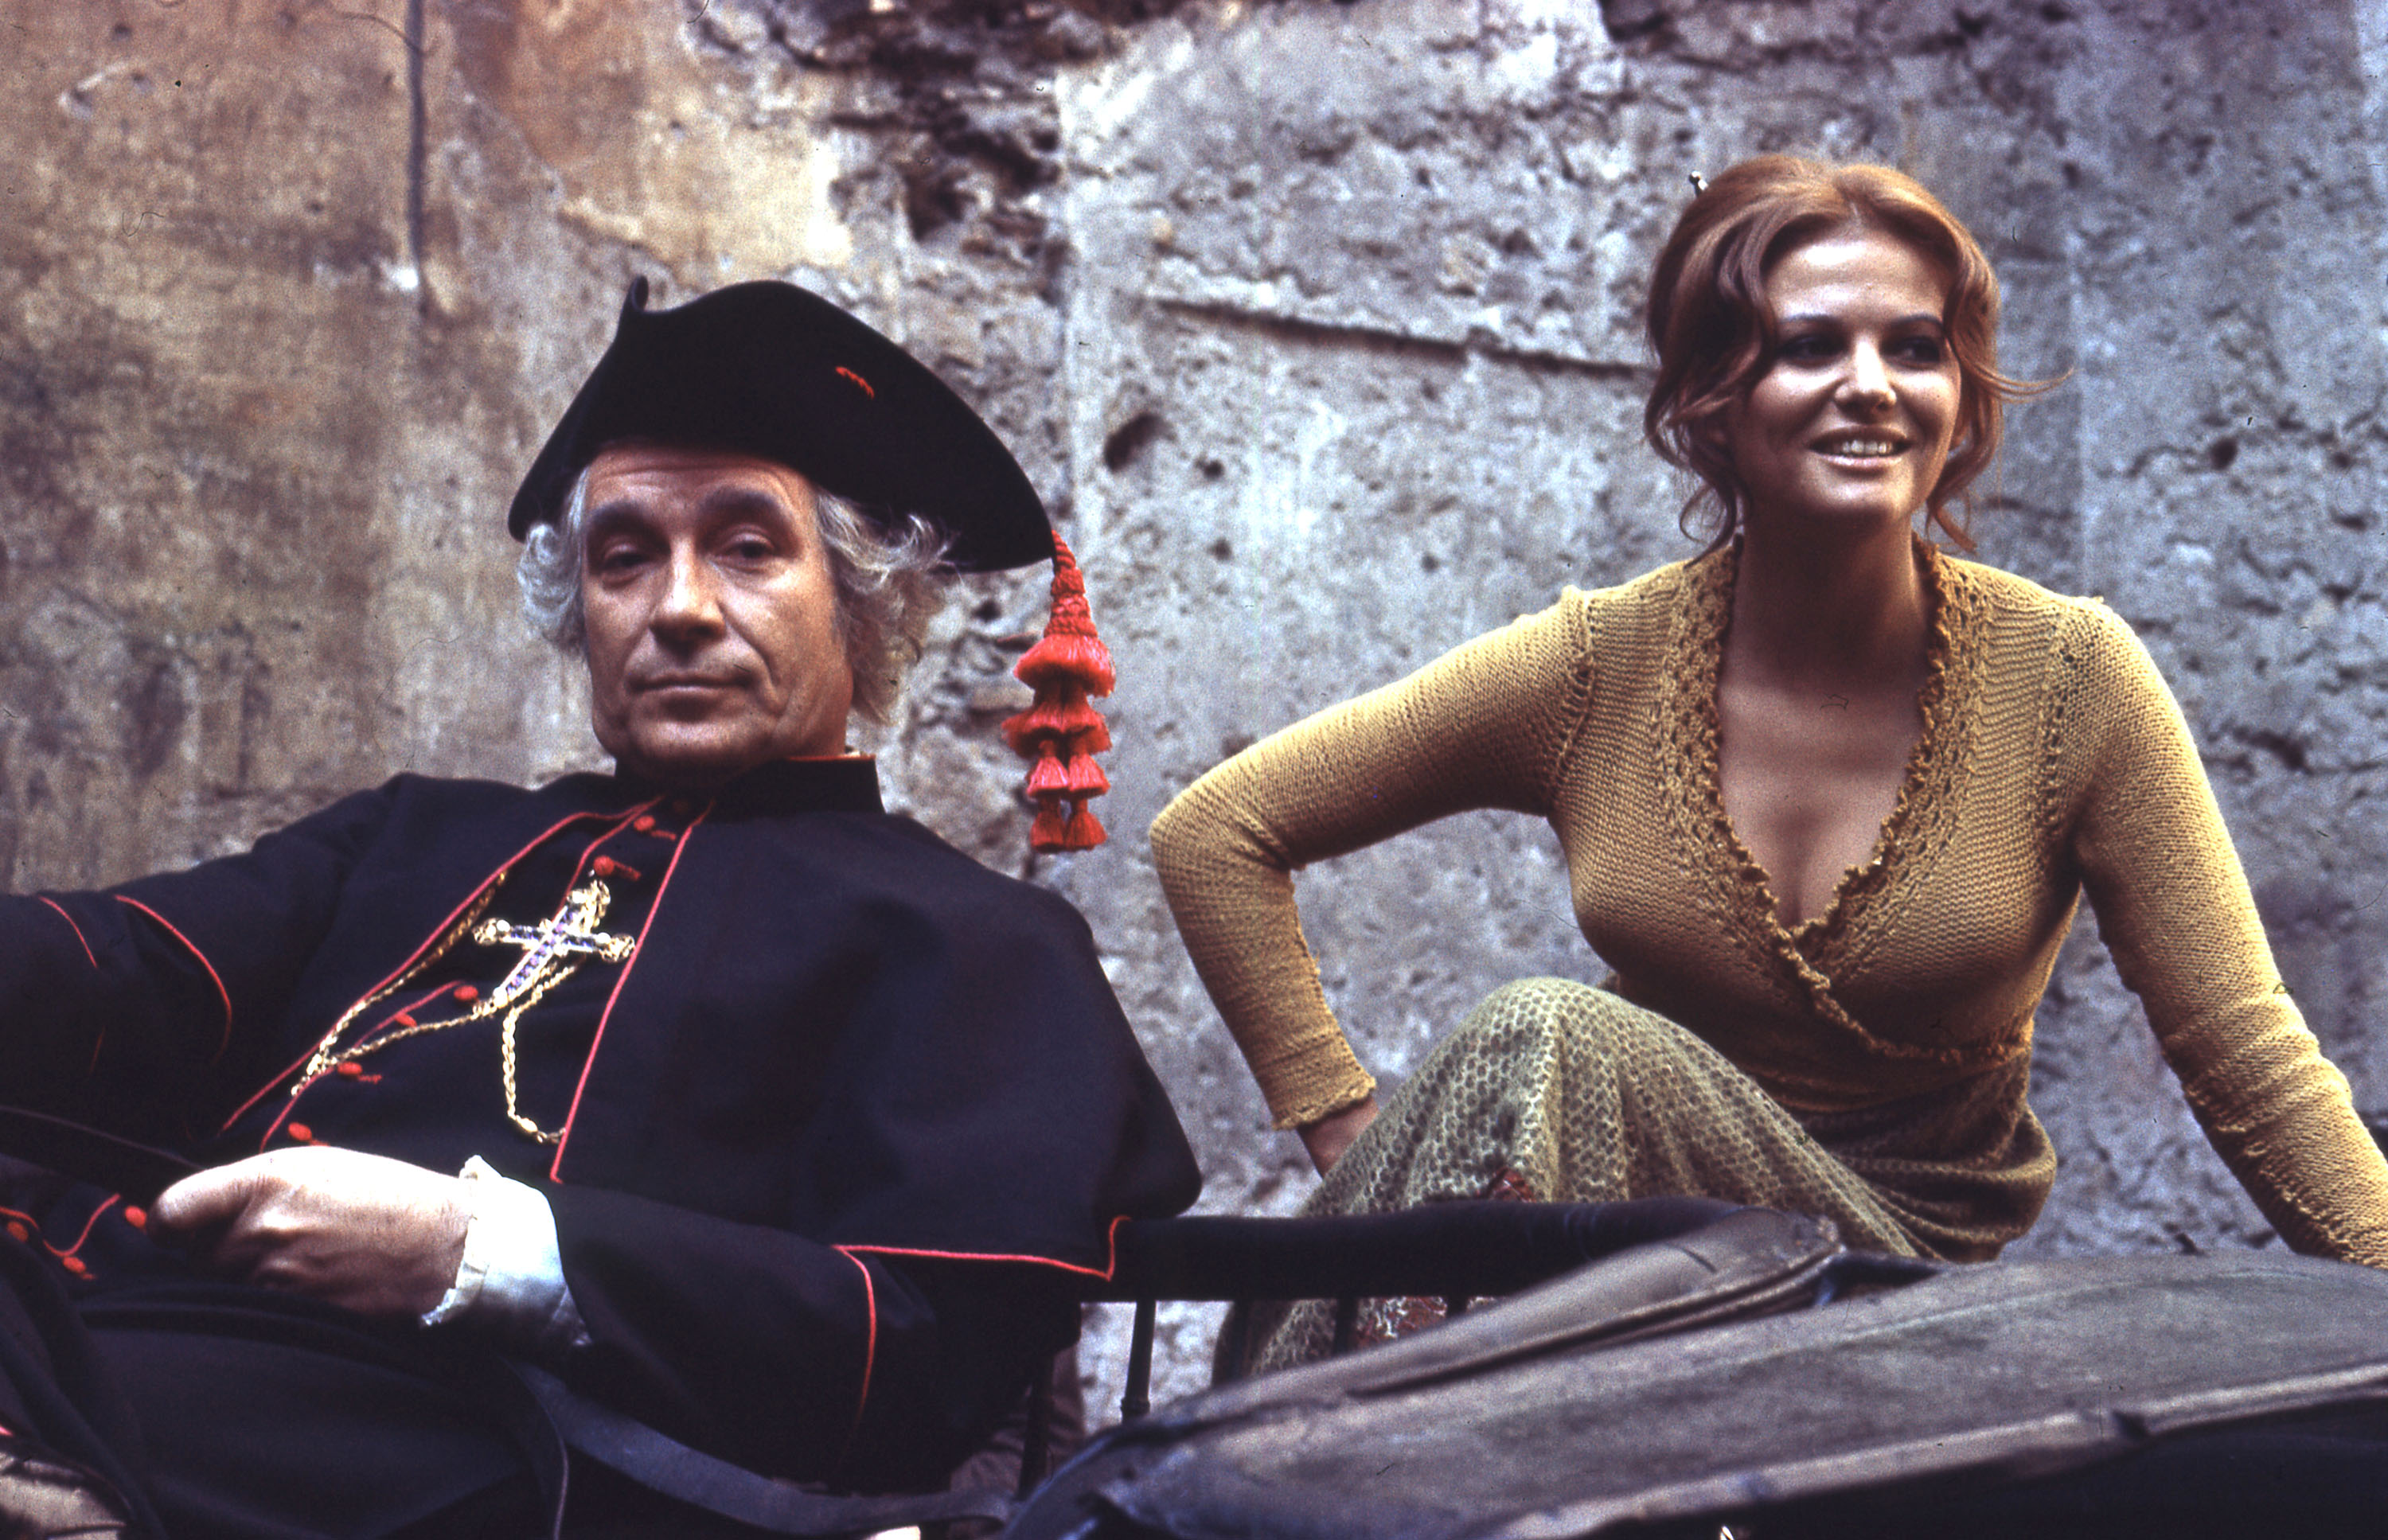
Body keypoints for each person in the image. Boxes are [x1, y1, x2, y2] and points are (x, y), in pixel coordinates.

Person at [0, 278, 1200, 1535]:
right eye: (625, 559)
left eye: (748, 548)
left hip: (513, 1457)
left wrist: (473, 1250)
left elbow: (919, 1347)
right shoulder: (412, 835)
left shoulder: (980, 940)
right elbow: (109, 967)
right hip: (114, 1347)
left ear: (864, 604)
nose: (678, 608)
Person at [1149, 155, 2388, 1370]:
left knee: (1546, 1031)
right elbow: (1217, 834)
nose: (1872, 387)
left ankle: (1336, 1431)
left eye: (1916, 348)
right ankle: (1369, 1443)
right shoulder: (1598, 667)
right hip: (1638, 1258)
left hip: (1892, 1282)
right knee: (1545, 1042)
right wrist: (1352, 1140)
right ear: (1713, 399)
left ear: (1962, 399)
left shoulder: (2070, 678)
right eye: (1810, 348)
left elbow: (2245, 1050)